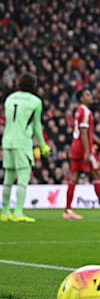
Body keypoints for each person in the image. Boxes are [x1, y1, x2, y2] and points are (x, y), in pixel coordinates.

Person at [1, 73, 49, 222]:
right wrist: (42, 145)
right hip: (22, 142)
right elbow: (36, 126)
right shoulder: (35, 101)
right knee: (23, 177)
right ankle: (18, 212)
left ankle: (4, 211)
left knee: (8, 177)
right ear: (33, 85)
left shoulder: (10, 98)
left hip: (7, 141)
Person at [64, 89, 100, 220]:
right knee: (96, 175)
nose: (90, 96)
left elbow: (89, 134)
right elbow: (84, 132)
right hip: (84, 148)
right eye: (87, 95)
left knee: (74, 177)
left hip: (75, 147)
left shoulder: (79, 111)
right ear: (81, 99)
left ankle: (67, 210)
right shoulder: (85, 112)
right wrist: (87, 151)